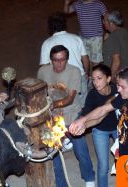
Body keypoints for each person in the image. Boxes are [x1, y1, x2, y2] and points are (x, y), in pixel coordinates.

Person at [37, 45, 95, 187]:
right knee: (54, 155)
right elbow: (39, 91)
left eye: (62, 60)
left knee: (81, 150)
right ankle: (61, 184)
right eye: (56, 60)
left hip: (71, 116)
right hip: (51, 119)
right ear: (51, 60)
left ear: (67, 59)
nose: (59, 64)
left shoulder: (74, 71)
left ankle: (89, 178)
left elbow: (70, 98)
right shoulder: (43, 71)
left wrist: (52, 105)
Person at [69, 67, 128, 156]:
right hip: (122, 153)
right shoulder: (125, 98)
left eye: (122, 87)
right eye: (118, 85)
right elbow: (103, 109)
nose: (119, 90)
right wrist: (83, 120)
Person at [40, 12, 90, 106]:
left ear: (50, 27)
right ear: (64, 24)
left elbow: (45, 67)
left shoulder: (47, 43)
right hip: (79, 76)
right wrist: (86, 73)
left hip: (60, 80)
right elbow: (85, 59)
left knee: (61, 107)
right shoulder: (76, 38)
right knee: (82, 106)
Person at [81, 64, 118, 187]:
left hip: (119, 129)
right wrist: (80, 124)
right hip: (100, 130)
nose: (95, 82)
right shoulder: (92, 95)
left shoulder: (117, 90)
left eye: (99, 78)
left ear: (108, 79)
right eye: (93, 79)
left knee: (124, 160)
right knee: (103, 166)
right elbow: (86, 114)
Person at [64, 0, 107, 66]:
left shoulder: (98, 4)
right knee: (85, 59)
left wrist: (107, 32)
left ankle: (96, 75)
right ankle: (88, 75)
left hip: (96, 37)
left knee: (96, 61)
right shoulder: (78, 4)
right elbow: (66, 12)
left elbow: (107, 18)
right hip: (83, 37)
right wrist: (66, 3)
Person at [102, 10, 128, 80]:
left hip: (118, 77)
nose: (103, 22)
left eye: (104, 20)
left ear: (111, 23)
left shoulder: (112, 38)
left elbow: (117, 61)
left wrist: (110, 78)